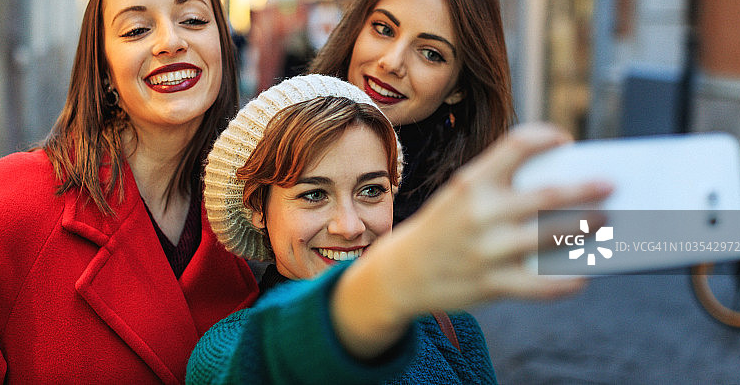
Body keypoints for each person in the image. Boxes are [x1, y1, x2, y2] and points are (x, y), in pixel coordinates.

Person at [186, 74, 612, 384]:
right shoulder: (223, 351)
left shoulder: (452, 327)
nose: (350, 226)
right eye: (313, 195)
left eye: (371, 190)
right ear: (257, 208)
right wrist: (388, 284)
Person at [0, 0, 259, 384]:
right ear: (103, 69)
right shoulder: (9, 205)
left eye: (193, 20)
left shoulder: (254, 217)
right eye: (137, 29)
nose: (171, 41)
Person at [309, 0, 514, 224]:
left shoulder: (469, 212)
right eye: (384, 29)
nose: (392, 62)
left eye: (430, 53)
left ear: (459, 88)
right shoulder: (277, 143)